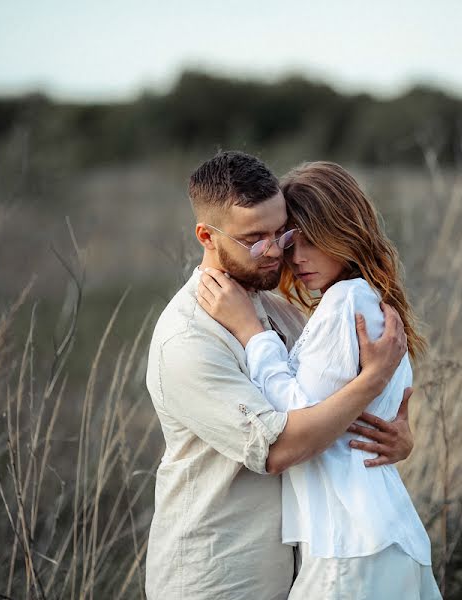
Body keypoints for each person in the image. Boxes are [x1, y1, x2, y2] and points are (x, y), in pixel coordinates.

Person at [144, 151, 416, 600]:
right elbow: (280, 448)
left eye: (280, 233)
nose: (274, 251)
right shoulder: (187, 340)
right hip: (216, 576)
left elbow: (325, 402)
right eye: (254, 238)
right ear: (206, 236)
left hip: (292, 569)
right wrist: (371, 381)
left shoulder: (278, 310)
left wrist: (396, 435)